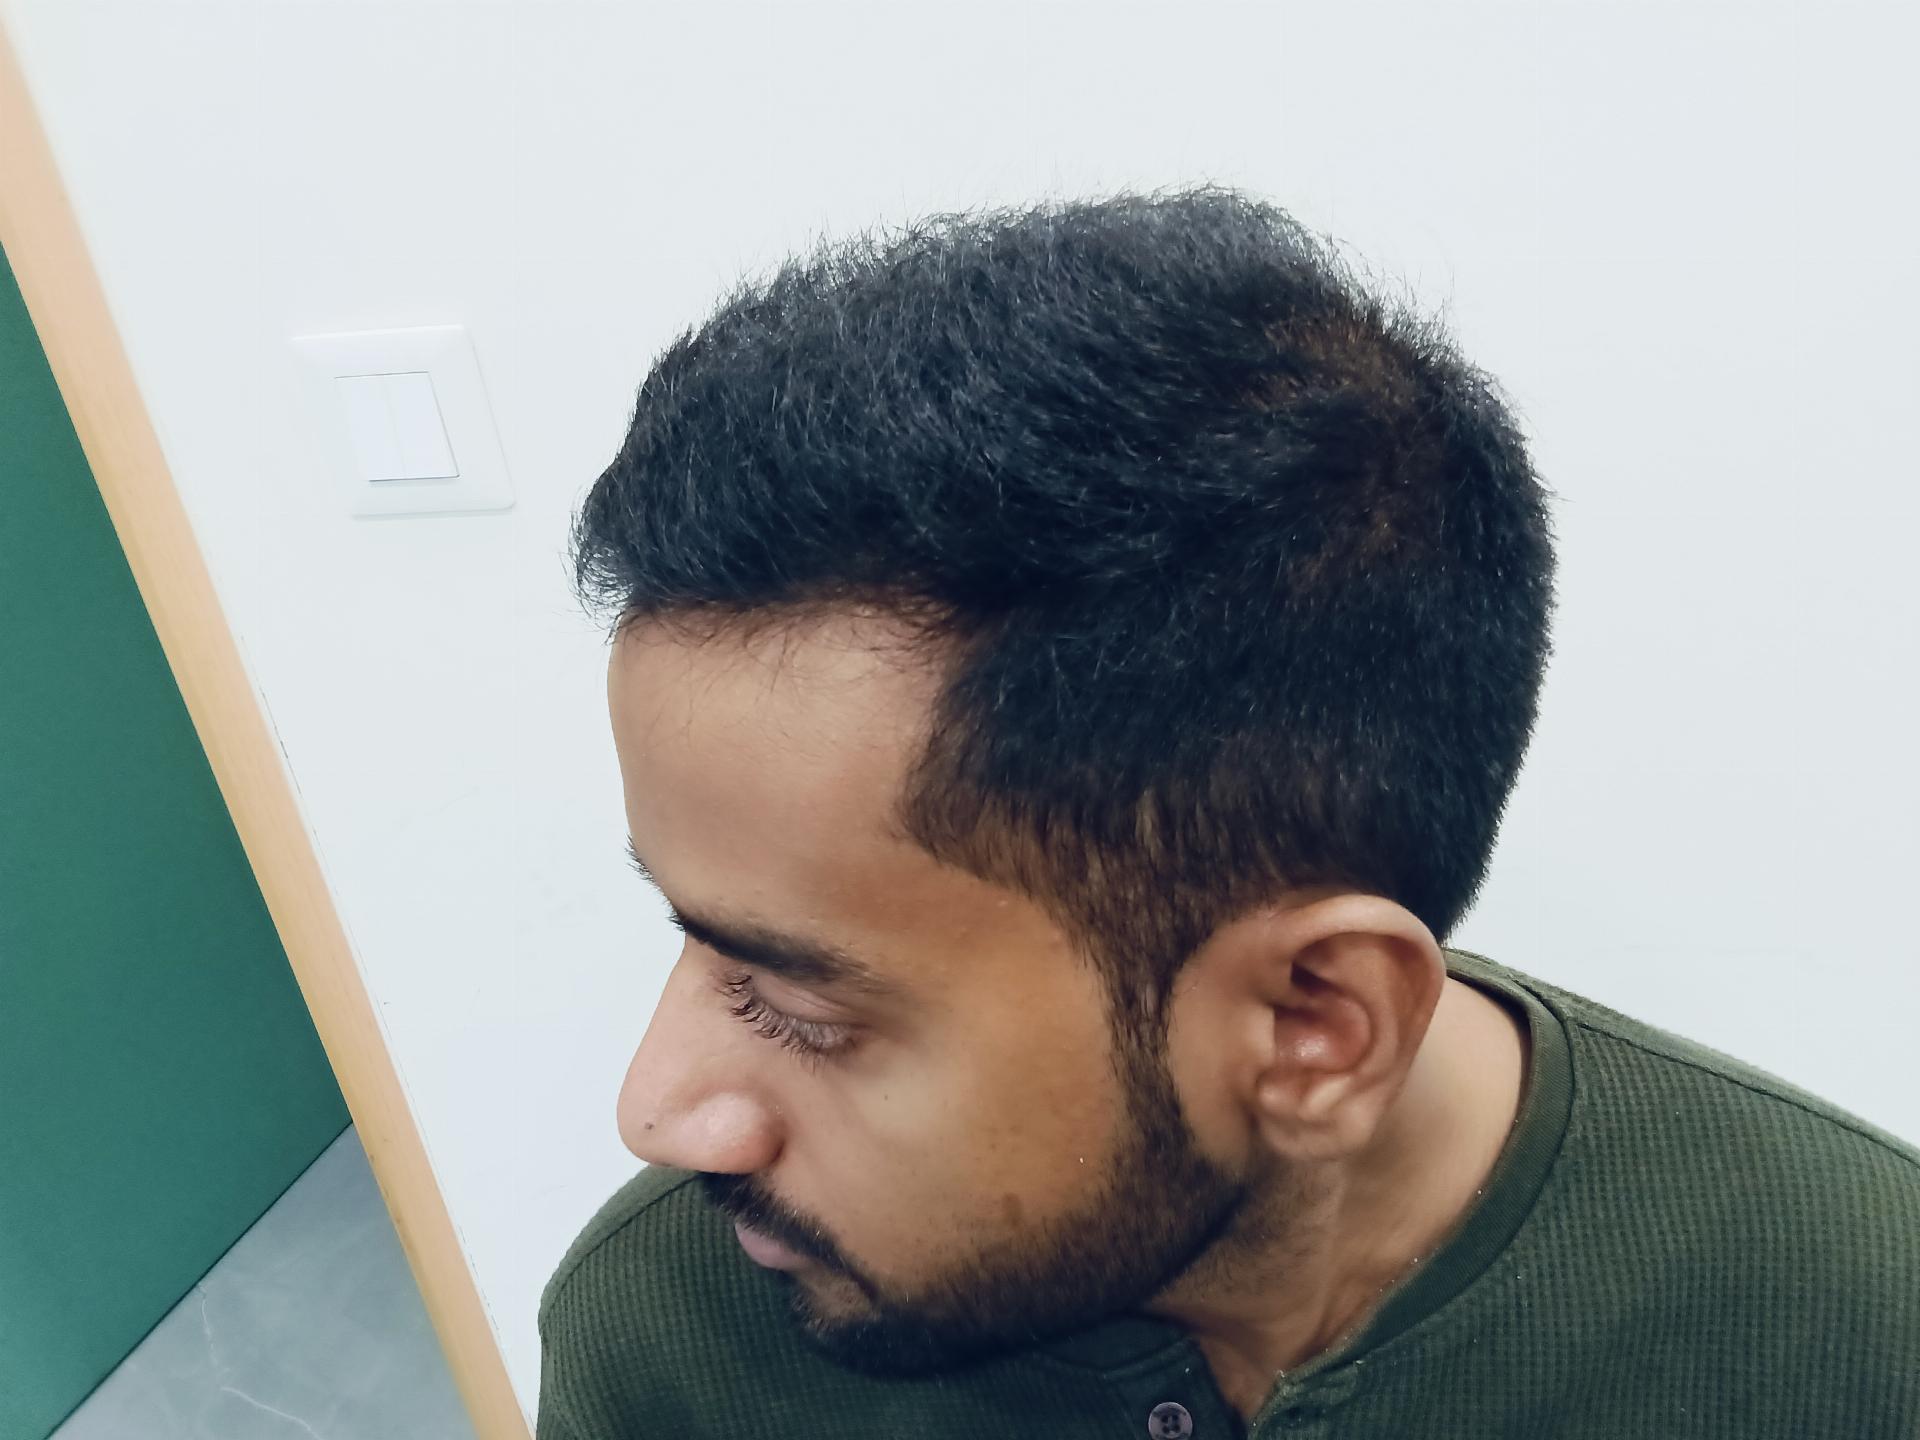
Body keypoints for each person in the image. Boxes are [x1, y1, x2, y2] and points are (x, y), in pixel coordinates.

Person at [538, 185, 1920, 1438]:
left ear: (1315, 1025)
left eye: (803, 1009)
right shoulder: (671, 1336)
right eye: (693, 937)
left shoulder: (1864, 1336)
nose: (658, 1111)